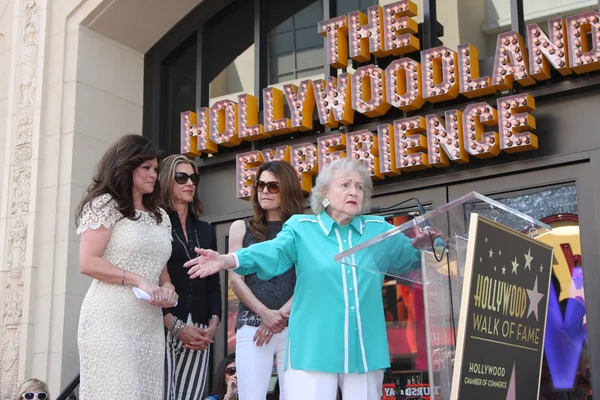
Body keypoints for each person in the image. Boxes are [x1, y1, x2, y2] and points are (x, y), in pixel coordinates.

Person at [184, 158, 437, 400]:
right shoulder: (302, 227)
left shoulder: (379, 229)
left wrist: (431, 246)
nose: (354, 191)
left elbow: (416, 257)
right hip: (313, 351)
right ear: (325, 193)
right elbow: (273, 252)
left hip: (365, 351)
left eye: (360, 187)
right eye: (345, 185)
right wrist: (229, 259)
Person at [76, 134, 178, 400]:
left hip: (148, 324)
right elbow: (88, 262)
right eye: (146, 168)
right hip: (109, 319)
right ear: (126, 167)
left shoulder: (161, 216)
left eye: (155, 169)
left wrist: (167, 288)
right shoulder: (104, 205)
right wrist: (137, 280)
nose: (154, 175)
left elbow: (161, 269)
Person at [229, 161, 304, 400]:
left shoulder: (303, 229)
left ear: (288, 189)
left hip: (293, 325)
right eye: (260, 185)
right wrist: (264, 313)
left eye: (273, 186)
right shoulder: (241, 227)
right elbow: (235, 280)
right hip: (253, 325)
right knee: (251, 396)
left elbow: (308, 279)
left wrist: (279, 315)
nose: (264, 191)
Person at [159, 154, 222, 400]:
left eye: (193, 177)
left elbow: (213, 282)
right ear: (167, 181)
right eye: (181, 177)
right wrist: (174, 324)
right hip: (163, 324)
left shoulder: (205, 229)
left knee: (192, 396)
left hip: (198, 328)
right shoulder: (155, 223)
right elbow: (150, 277)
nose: (190, 183)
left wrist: (214, 323)